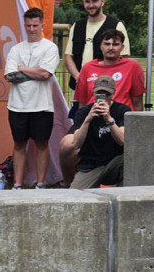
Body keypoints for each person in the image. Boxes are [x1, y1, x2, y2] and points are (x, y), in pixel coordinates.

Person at [60, 28, 144, 186]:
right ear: (100, 46)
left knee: (130, 155)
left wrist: (132, 126)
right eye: (107, 43)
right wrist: (86, 119)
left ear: (122, 47)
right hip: (92, 115)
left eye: (115, 44)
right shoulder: (88, 67)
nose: (111, 47)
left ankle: (123, 191)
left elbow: (138, 102)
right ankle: (68, 182)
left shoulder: (133, 66)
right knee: (66, 145)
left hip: (120, 119)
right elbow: (83, 102)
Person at [4, 7, 60, 189]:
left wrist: (22, 68)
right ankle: (17, 184)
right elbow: (10, 77)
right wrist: (35, 71)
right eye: (28, 25)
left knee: (42, 144)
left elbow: (45, 74)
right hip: (17, 106)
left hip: (42, 106)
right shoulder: (15, 49)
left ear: (42, 25)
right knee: (19, 143)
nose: (31, 29)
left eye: (35, 25)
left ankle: (41, 183)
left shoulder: (50, 48)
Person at [63, 0, 129, 116]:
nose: (91, 5)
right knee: (80, 125)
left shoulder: (116, 25)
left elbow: (123, 59)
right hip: (80, 90)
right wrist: (79, 77)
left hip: (106, 90)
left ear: (102, 1)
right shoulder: (77, 26)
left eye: (94, 1)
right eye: (87, 1)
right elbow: (68, 56)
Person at [69, 75, 128, 189]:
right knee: (76, 196)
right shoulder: (83, 112)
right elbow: (76, 144)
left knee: (130, 160)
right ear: (94, 93)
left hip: (114, 162)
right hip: (91, 165)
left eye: (107, 94)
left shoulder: (122, 110)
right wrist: (87, 120)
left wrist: (109, 120)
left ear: (113, 93)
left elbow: (122, 141)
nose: (104, 98)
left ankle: (123, 194)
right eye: (100, 94)